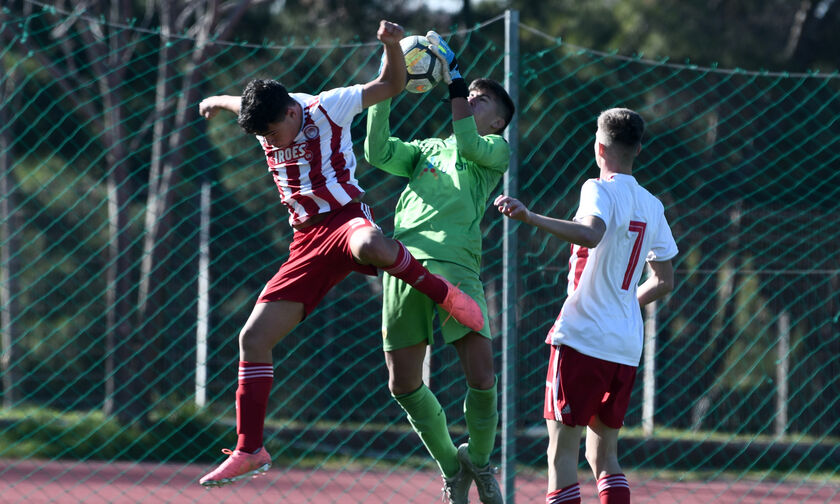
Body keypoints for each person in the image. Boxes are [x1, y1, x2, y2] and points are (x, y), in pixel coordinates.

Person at [196, 20, 485, 488]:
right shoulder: (267, 123)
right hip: (305, 242)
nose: (271, 141)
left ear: (292, 111)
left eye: (274, 131)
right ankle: (251, 448)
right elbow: (241, 108)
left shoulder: (327, 106)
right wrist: (218, 101)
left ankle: (445, 295)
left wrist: (391, 45)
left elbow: (391, 84)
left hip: (345, 220)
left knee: (371, 241)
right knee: (253, 338)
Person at [495, 108, 677, 504]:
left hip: (582, 338)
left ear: (598, 147)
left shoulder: (597, 188)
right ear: (639, 149)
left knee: (562, 453)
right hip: (625, 344)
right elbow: (664, 280)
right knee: (604, 455)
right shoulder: (652, 204)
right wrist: (626, 302)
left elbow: (592, 234)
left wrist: (529, 216)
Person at [364, 31, 514, 504]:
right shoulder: (426, 150)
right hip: (404, 265)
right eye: (469, 95)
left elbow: (468, 143)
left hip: (458, 271)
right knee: (403, 382)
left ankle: (483, 462)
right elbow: (377, 150)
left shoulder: (494, 152)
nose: (471, 98)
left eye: (481, 99)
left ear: (500, 121)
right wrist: (386, 86)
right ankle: (454, 465)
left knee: (482, 377)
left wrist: (455, 83)